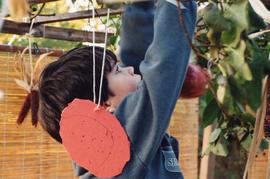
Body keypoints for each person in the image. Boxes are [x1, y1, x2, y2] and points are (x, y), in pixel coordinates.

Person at [38, 0, 197, 178]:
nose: (129, 69)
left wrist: (140, 7)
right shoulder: (122, 146)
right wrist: (175, 5)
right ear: (103, 107)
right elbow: (162, 71)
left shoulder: (106, 150)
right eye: (117, 70)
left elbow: (134, 60)